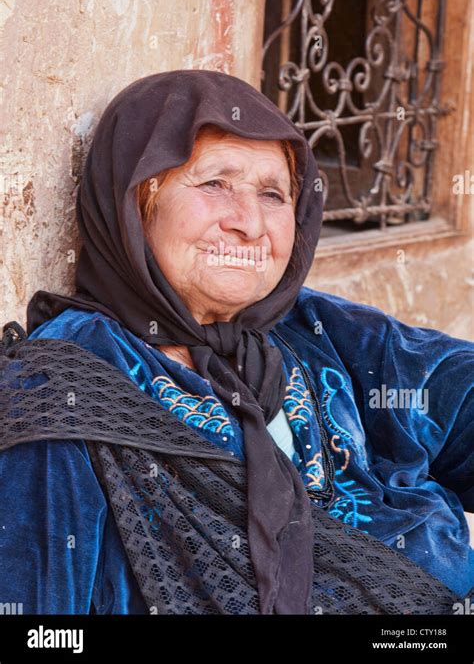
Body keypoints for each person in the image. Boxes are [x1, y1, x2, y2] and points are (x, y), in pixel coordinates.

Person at [0, 70, 472, 615]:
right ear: (136, 204)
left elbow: (455, 392)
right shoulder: (62, 389)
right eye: (214, 184)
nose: (249, 223)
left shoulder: (304, 329)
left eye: (273, 194)